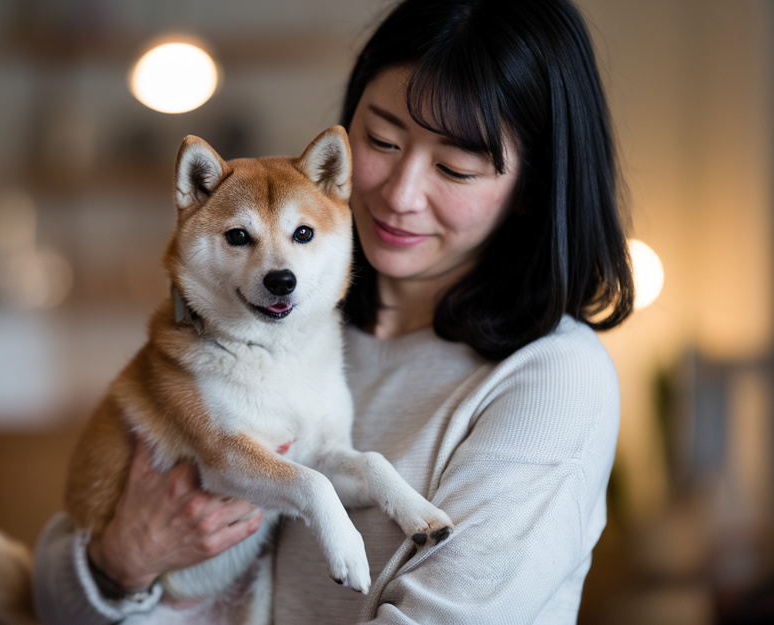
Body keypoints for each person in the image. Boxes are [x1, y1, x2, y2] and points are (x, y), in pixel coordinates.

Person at [31, 0, 635, 622]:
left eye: (455, 168)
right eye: (381, 139)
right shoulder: (288, 326)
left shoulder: (553, 382)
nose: (399, 195)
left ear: (531, 189)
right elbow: (50, 589)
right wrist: (118, 562)